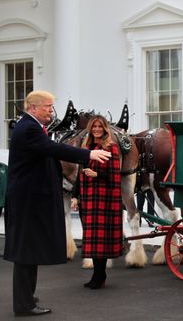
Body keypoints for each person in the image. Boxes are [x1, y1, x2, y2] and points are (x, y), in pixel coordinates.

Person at [3, 90, 111, 317]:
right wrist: (88, 154)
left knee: (28, 252)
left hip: (29, 199)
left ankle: (26, 298)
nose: (51, 111)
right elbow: (54, 149)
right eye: (48, 107)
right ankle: (24, 305)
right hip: (28, 201)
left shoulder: (30, 126)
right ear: (33, 108)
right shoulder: (29, 128)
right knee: (25, 253)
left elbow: (48, 154)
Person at [70, 115, 122, 290]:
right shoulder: (87, 148)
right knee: (91, 238)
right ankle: (97, 275)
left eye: (100, 126)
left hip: (104, 199)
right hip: (88, 198)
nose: (97, 129)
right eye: (94, 127)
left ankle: (99, 275)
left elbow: (115, 176)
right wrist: (75, 196)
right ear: (90, 129)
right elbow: (80, 173)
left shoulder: (111, 148)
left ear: (105, 128)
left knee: (101, 239)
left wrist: (97, 174)